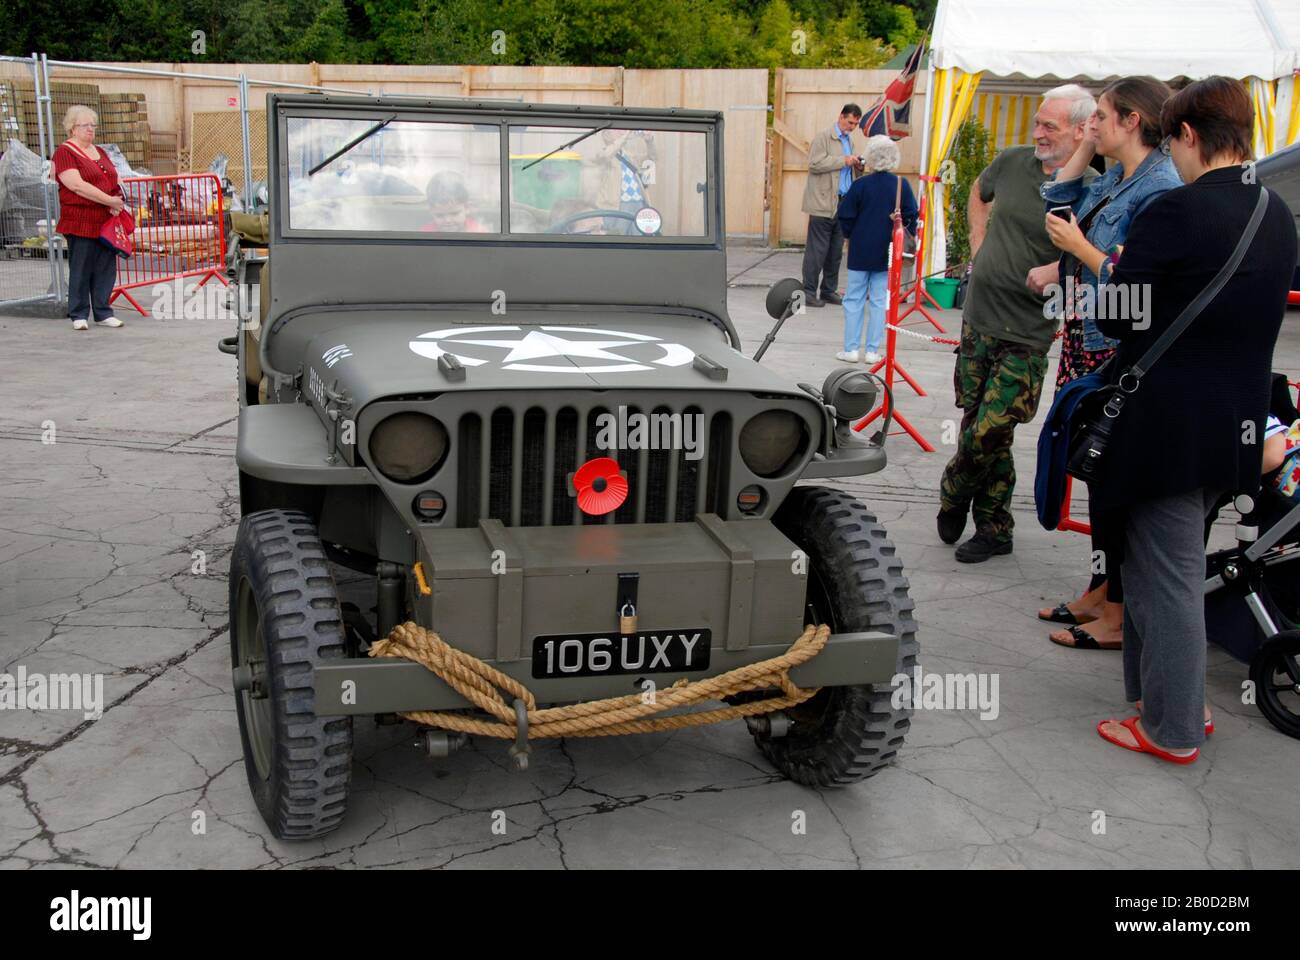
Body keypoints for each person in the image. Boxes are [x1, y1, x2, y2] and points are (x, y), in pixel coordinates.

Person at [1089, 77, 1295, 762]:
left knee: (1168, 576)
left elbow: (1118, 317)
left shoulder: (1177, 212)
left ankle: (1173, 726)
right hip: (1237, 425)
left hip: (1166, 428)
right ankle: (1164, 700)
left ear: (1185, 135)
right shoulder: (1277, 211)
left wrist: (1112, 273)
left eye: (1171, 142)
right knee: (1157, 569)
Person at [1035, 76, 1183, 649]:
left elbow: (1135, 290)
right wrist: (1087, 148)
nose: (1089, 125)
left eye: (1100, 116)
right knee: (1093, 475)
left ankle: (1119, 611)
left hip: (1113, 344)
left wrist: (1077, 251)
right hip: (1084, 333)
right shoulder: (1120, 177)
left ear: (1132, 122)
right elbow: (1056, 203)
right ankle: (1101, 586)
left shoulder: (1158, 190)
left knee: (1112, 477)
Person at [936, 84, 1096, 562]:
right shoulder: (1011, 161)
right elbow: (979, 196)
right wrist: (979, 242)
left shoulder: (1091, 189)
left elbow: (1095, 264)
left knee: (989, 429)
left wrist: (1058, 272)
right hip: (979, 319)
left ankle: (953, 490)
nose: (1039, 132)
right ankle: (995, 530)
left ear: (1080, 132)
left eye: (1051, 125)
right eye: (1038, 122)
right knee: (981, 426)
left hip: (1027, 332)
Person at [835, 135, 916, 363]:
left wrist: (852, 235)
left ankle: (851, 349)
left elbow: (845, 215)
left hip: (860, 250)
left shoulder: (860, 185)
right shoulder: (901, 184)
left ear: (870, 158)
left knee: (854, 299)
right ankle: (872, 351)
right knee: (880, 301)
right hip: (888, 251)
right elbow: (911, 215)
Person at [52, 104, 125, 331]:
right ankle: (79, 312)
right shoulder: (64, 153)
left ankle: (103, 311)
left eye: (93, 125)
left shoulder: (99, 152)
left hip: (105, 220)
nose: (90, 130)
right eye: (85, 126)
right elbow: (76, 185)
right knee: (81, 266)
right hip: (80, 219)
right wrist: (108, 200)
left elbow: (114, 177)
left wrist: (117, 200)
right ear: (72, 128)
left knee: (105, 266)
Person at [801, 104, 864, 308]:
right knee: (816, 251)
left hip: (842, 202)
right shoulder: (823, 138)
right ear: (841, 117)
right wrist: (844, 160)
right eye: (850, 122)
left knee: (835, 251)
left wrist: (857, 166)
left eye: (855, 124)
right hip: (822, 202)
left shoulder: (850, 142)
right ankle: (808, 291)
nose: (852, 126)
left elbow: (847, 171)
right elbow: (814, 164)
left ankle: (828, 290)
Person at [422, 171, 488, 233]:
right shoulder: (426, 232)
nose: (447, 220)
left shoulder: (478, 232)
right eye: (440, 215)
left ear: (467, 208)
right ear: (431, 211)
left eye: (454, 214)